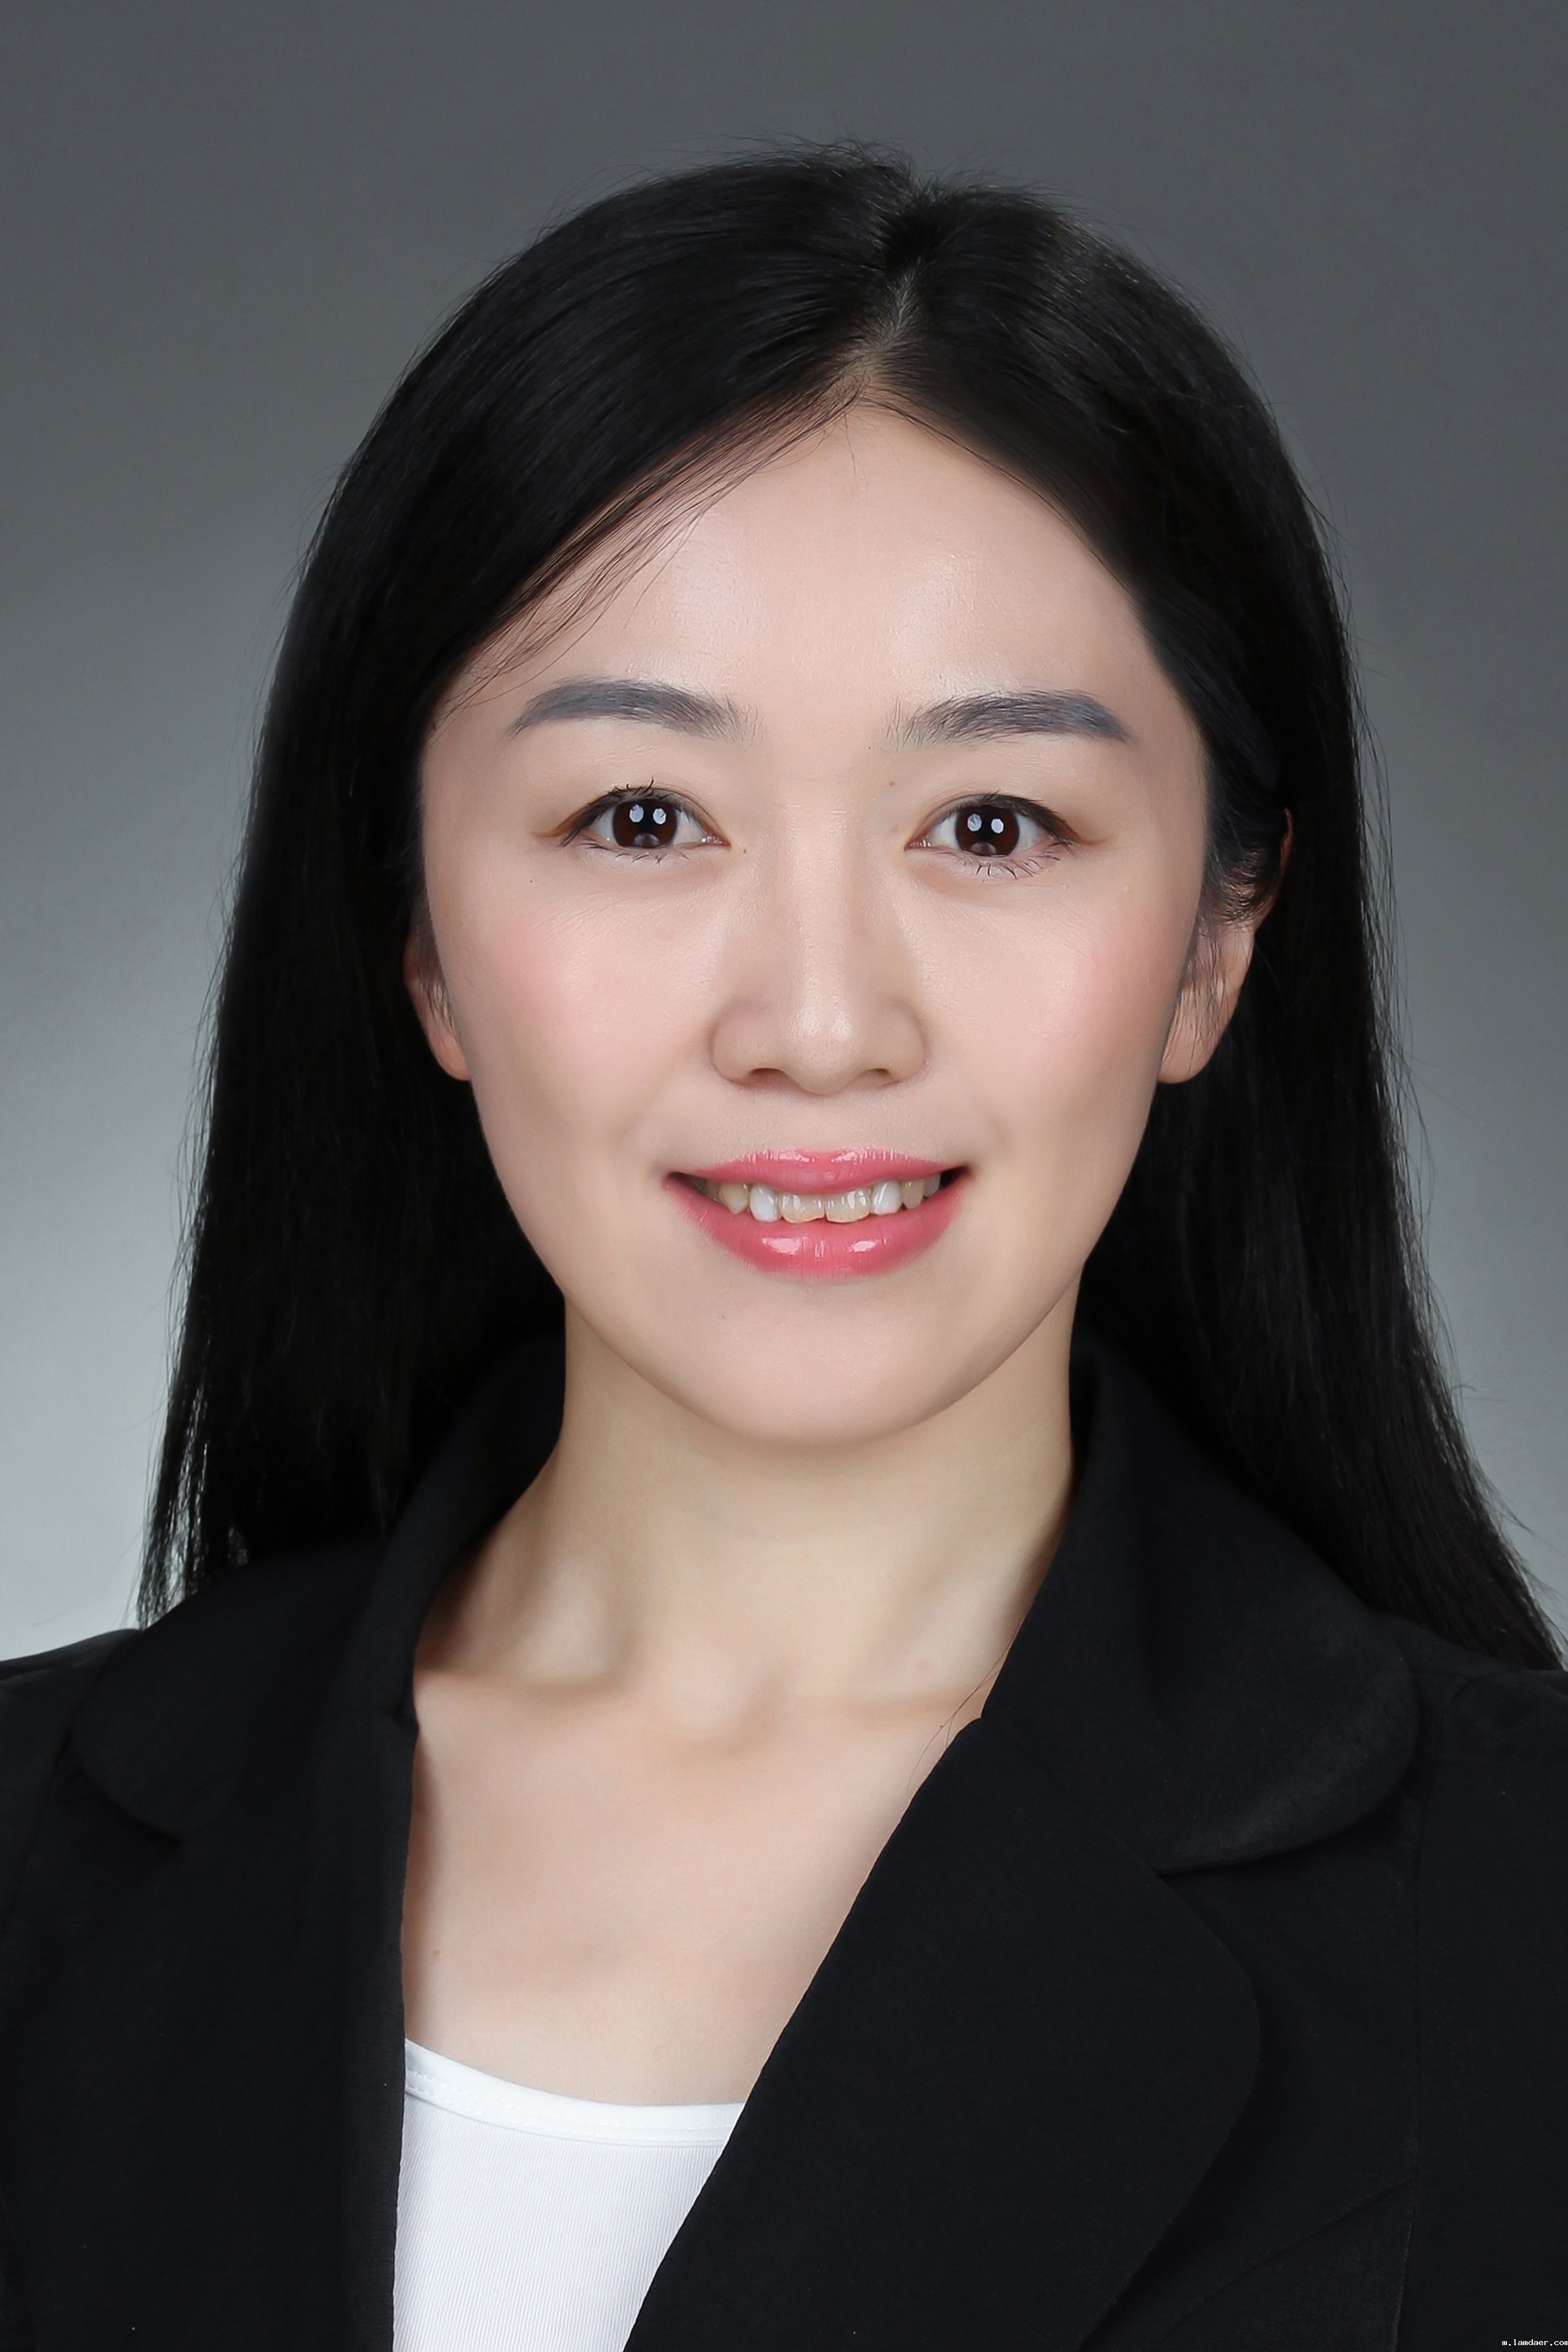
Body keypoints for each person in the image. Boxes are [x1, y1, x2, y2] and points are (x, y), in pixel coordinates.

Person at [0, 146, 1562, 2352]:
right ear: (418, 938)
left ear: (1219, 938)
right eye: (641, 818)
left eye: (992, 824)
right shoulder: (32, 1861)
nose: (819, 1023)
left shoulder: (1519, 1929)